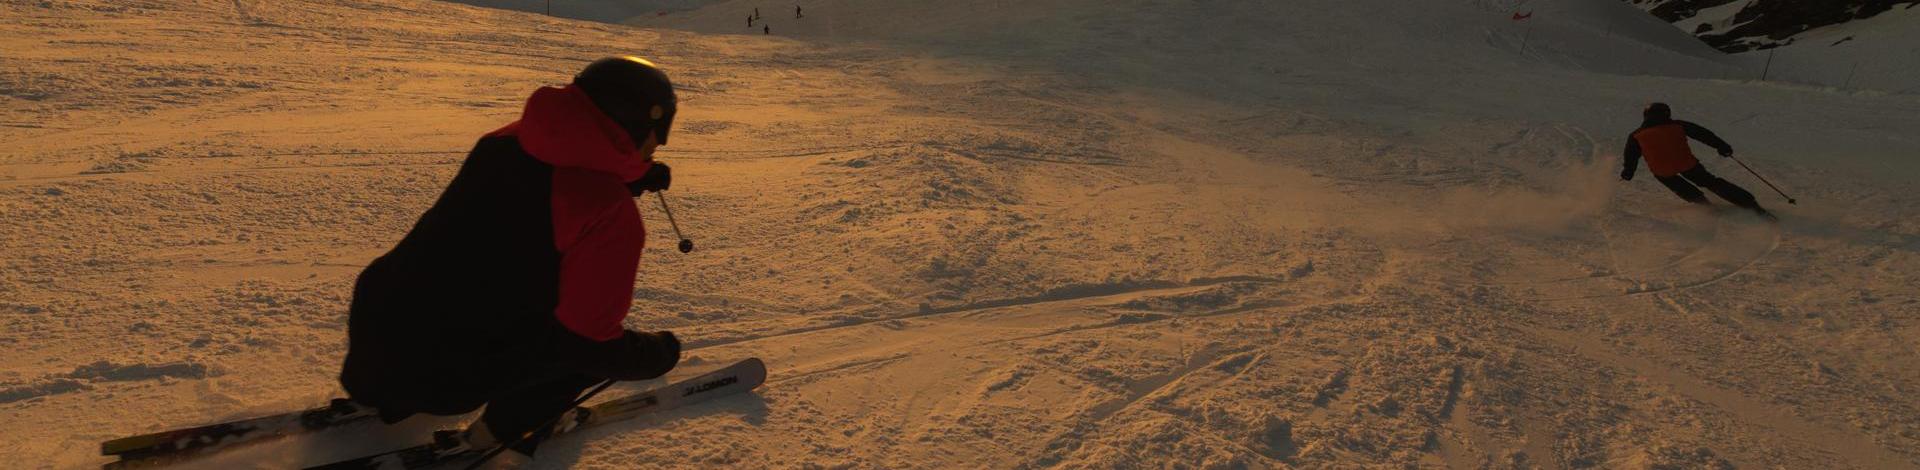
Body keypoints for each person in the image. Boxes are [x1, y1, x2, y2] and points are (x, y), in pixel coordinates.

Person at [338, 56, 684, 467]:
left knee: (464, 285)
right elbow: (588, 343)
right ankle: (496, 435)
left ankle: (379, 395)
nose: (658, 146)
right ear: (639, 126)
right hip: (444, 377)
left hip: (374, 332)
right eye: (657, 135)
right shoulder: (610, 214)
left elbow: (546, 185)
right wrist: (655, 355)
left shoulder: (503, 141)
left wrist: (626, 174)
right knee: (575, 350)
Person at [1622, 102, 1774, 221]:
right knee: (1710, 182)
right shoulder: (1678, 125)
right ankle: (1748, 203)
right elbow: (1703, 134)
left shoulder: (1637, 135)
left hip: (1662, 170)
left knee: (1681, 187)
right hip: (1687, 163)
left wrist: (1629, 171)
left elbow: (1631, 155)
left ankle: (1705, 205)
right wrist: (1721, 146)